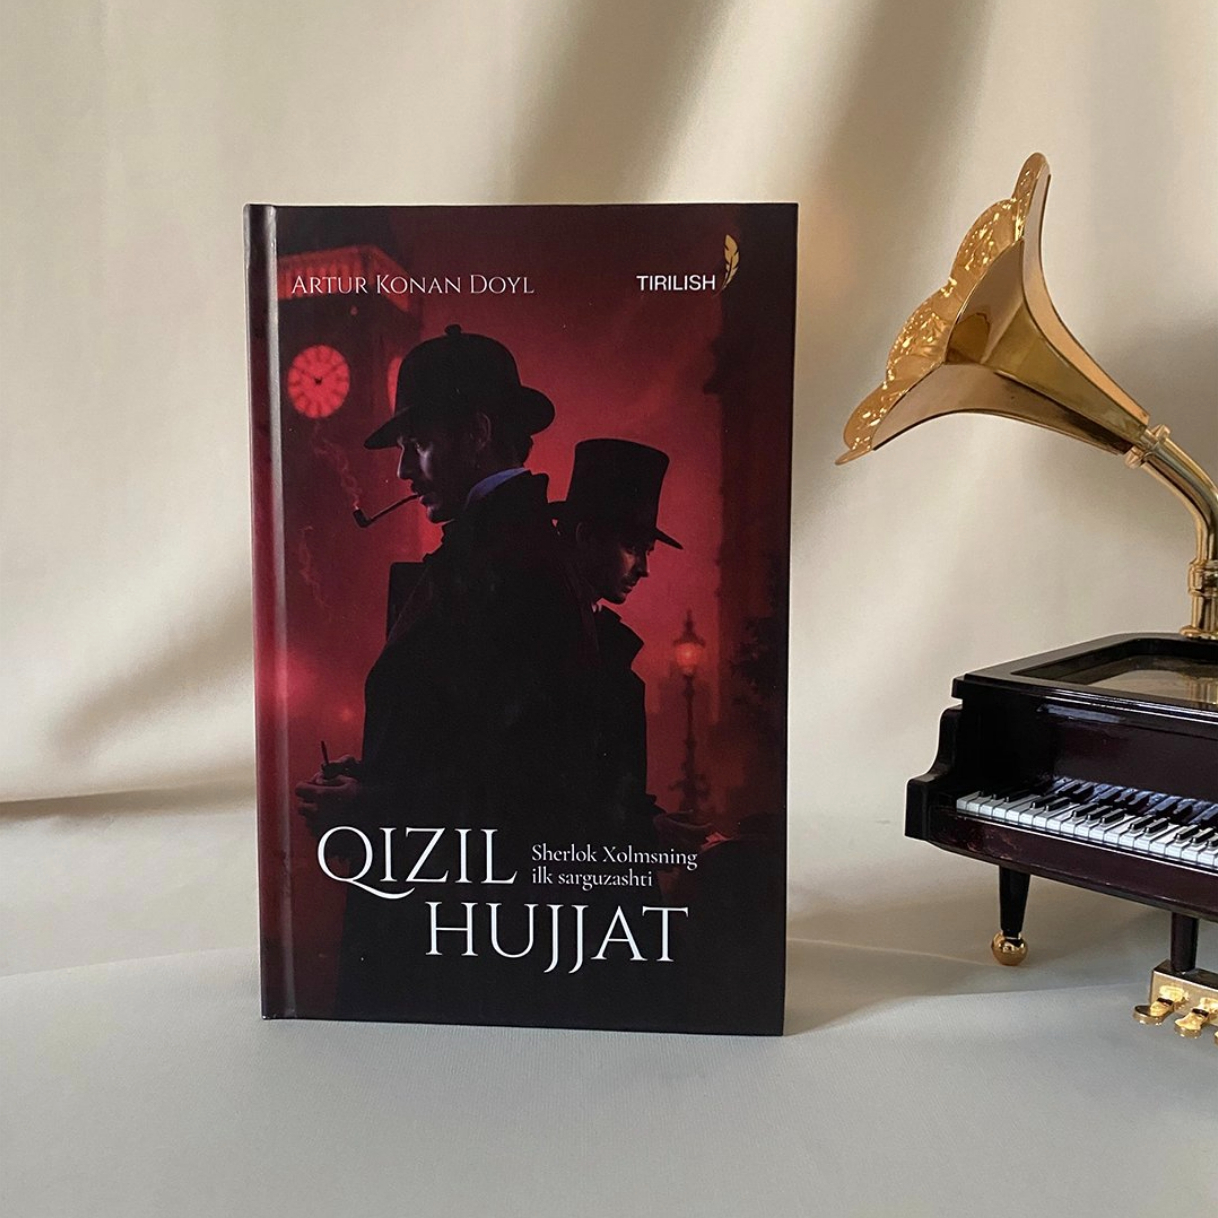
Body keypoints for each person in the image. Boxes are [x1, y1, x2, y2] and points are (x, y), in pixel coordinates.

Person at [295, 324, 594, 1021]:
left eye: (417, 443)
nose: (403, 470)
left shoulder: (509, 564)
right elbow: (463, 738)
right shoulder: (496, 550)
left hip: (462, 937)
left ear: (478, 433)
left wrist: (370, 805)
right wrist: (373, 775)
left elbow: (526, 782)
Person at [553, 439, 706, 855]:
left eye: (647, 551)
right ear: (586, 537)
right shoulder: (557, 633)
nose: (644, 568)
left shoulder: (582, 626)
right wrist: (644, 832)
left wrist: (649, 823)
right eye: (633, 548)